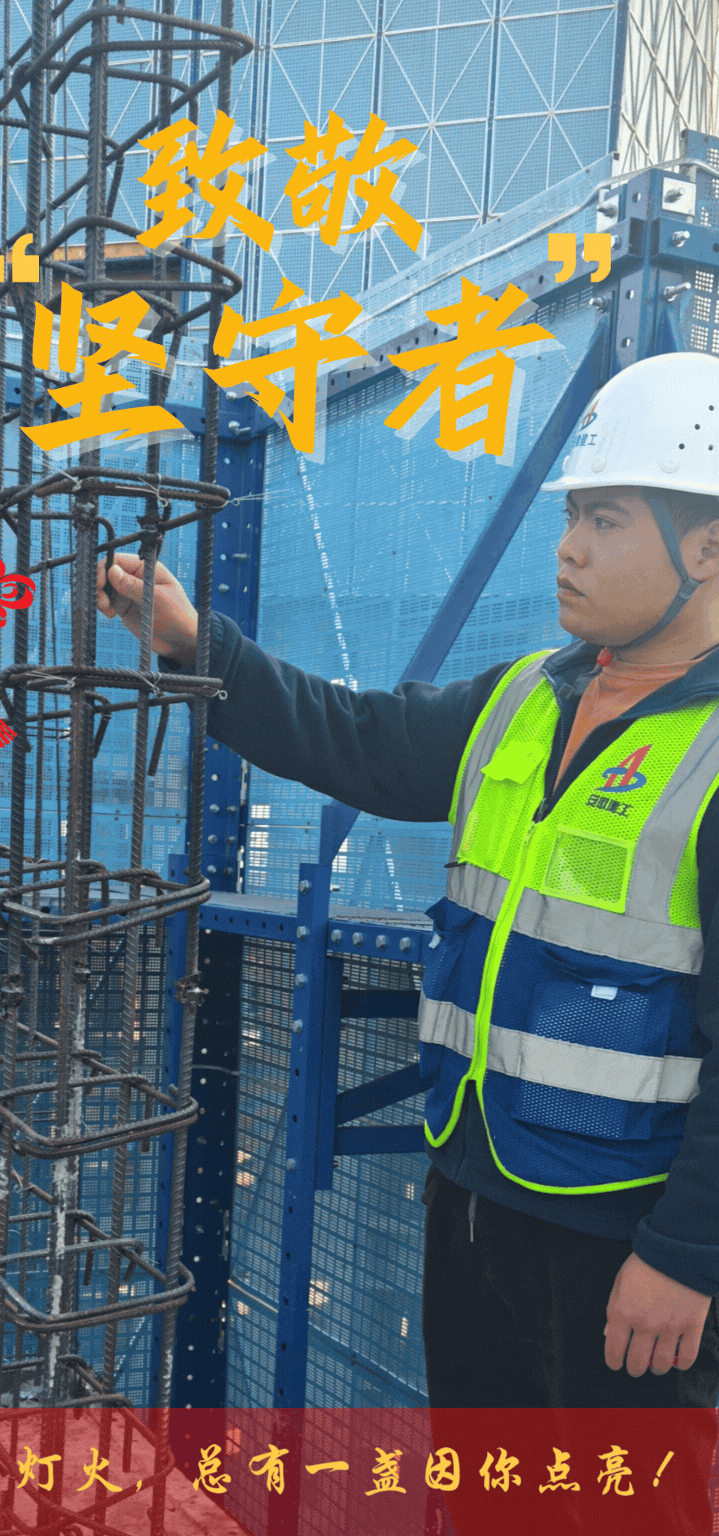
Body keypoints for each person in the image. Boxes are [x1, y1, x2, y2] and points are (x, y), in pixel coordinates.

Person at [97, 352, 719, 1522]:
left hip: (623, 1242)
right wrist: (197, 646)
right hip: (476, 1196)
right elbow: (364, 743)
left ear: (711, 551)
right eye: (572, 517)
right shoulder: (526, 696)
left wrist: (688, 1256)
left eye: (606, 520)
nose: (569, 548)